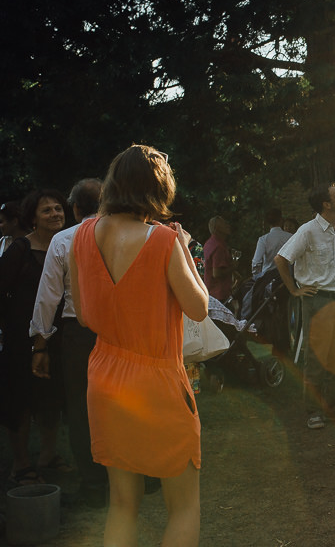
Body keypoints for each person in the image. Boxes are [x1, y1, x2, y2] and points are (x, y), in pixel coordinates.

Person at [71, 144, 208, 546]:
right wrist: (182, 247)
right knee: (183, 506)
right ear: (158, 188)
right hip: (158, 380)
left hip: (105, 376)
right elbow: (198, 309)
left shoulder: (81, 235)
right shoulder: (164, 240)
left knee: (122, 504)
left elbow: (83, 315)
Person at [30, 178, 107, 507]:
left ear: (75, 208)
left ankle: (93, 485)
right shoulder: (126, 236)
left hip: (78, 333)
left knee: (80, 408)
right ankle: (139, 476)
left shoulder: (63, 240)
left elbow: (47, 298)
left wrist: (40, 344)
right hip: (122, 330)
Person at [274, 184, 335, 429]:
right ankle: (313, 411)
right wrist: (294, 290)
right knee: (316, 356)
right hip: (317, 300)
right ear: (326, 204)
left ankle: (333, 406)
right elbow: (281, 259)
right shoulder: (308, 231)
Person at [0, 189, 69, 486]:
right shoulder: (19, 250)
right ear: (32, 218)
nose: (55, 214)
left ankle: (48, 455)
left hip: (57, 337)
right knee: (22, 401)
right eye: (46, 210)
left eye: (58, 209)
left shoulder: (66, 246)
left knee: (51, 398)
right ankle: (21, 465)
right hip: (21, 338)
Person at [251, 208, 292, 280]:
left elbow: (256, 263)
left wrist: (258, 277)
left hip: (268, 279)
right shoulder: (290, 237)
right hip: (288, 278)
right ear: (281, 220)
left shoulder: (263, 239)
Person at [203, 215, 236, 302]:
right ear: (217, 228)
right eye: (224, 224)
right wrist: (233, 267)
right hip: (219, 294)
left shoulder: (209, 243)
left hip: (209, 291)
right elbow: (216, 273)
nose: (228, 225)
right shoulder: (218, 246)